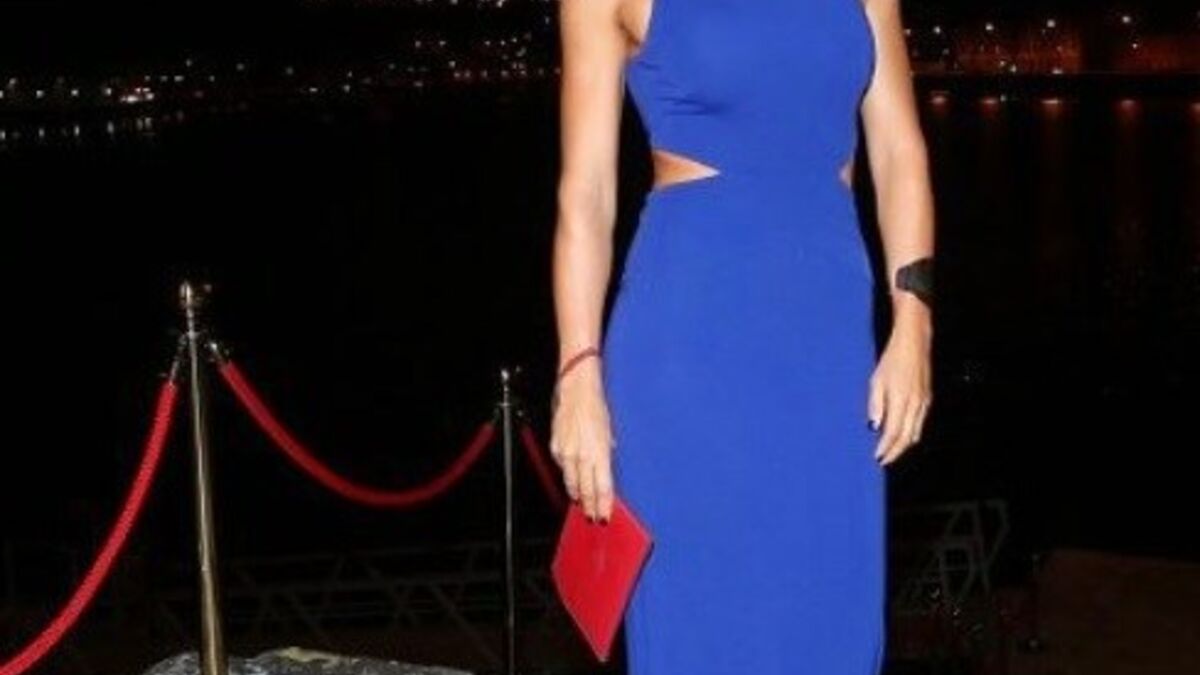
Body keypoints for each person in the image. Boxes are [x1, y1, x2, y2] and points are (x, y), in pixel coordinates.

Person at [549, 0, 934, 671]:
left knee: (831, 606)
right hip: (688, 343)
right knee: (700, 618)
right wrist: (578, 369)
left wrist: (914, 324)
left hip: (831, 346)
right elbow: (586, 194)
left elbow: (901, 153)